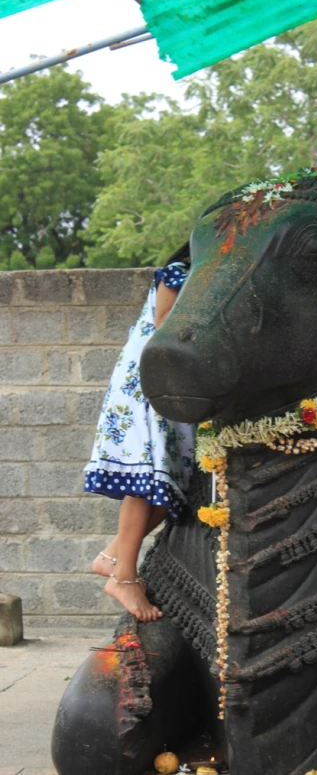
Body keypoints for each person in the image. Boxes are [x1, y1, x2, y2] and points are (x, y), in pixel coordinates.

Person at [84, 244, 194, 623]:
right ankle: (124, 576)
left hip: (171, 383)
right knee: (146, 480)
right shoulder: (180, 272)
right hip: (151, 382)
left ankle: (113, 557)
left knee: (172, 487)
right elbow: (165, 323)